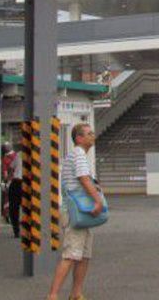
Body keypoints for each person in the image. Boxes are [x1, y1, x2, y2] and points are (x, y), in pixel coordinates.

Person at [47, 123, 103, 300]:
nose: (92, 136)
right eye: (89, 133)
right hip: (75, 212)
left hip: (81, 211)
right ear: (79, 138)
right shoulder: (78, 154)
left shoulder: (80, 155)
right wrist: (97, 200)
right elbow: (84, 179)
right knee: (71, 254)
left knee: (84, 255)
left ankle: (76, 293)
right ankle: (53, 295)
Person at [7, 143, 23, 238]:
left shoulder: (19, 154)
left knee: (14, 208)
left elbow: (10, 168)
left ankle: (16, 230)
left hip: (16, 183)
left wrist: (8, 179)